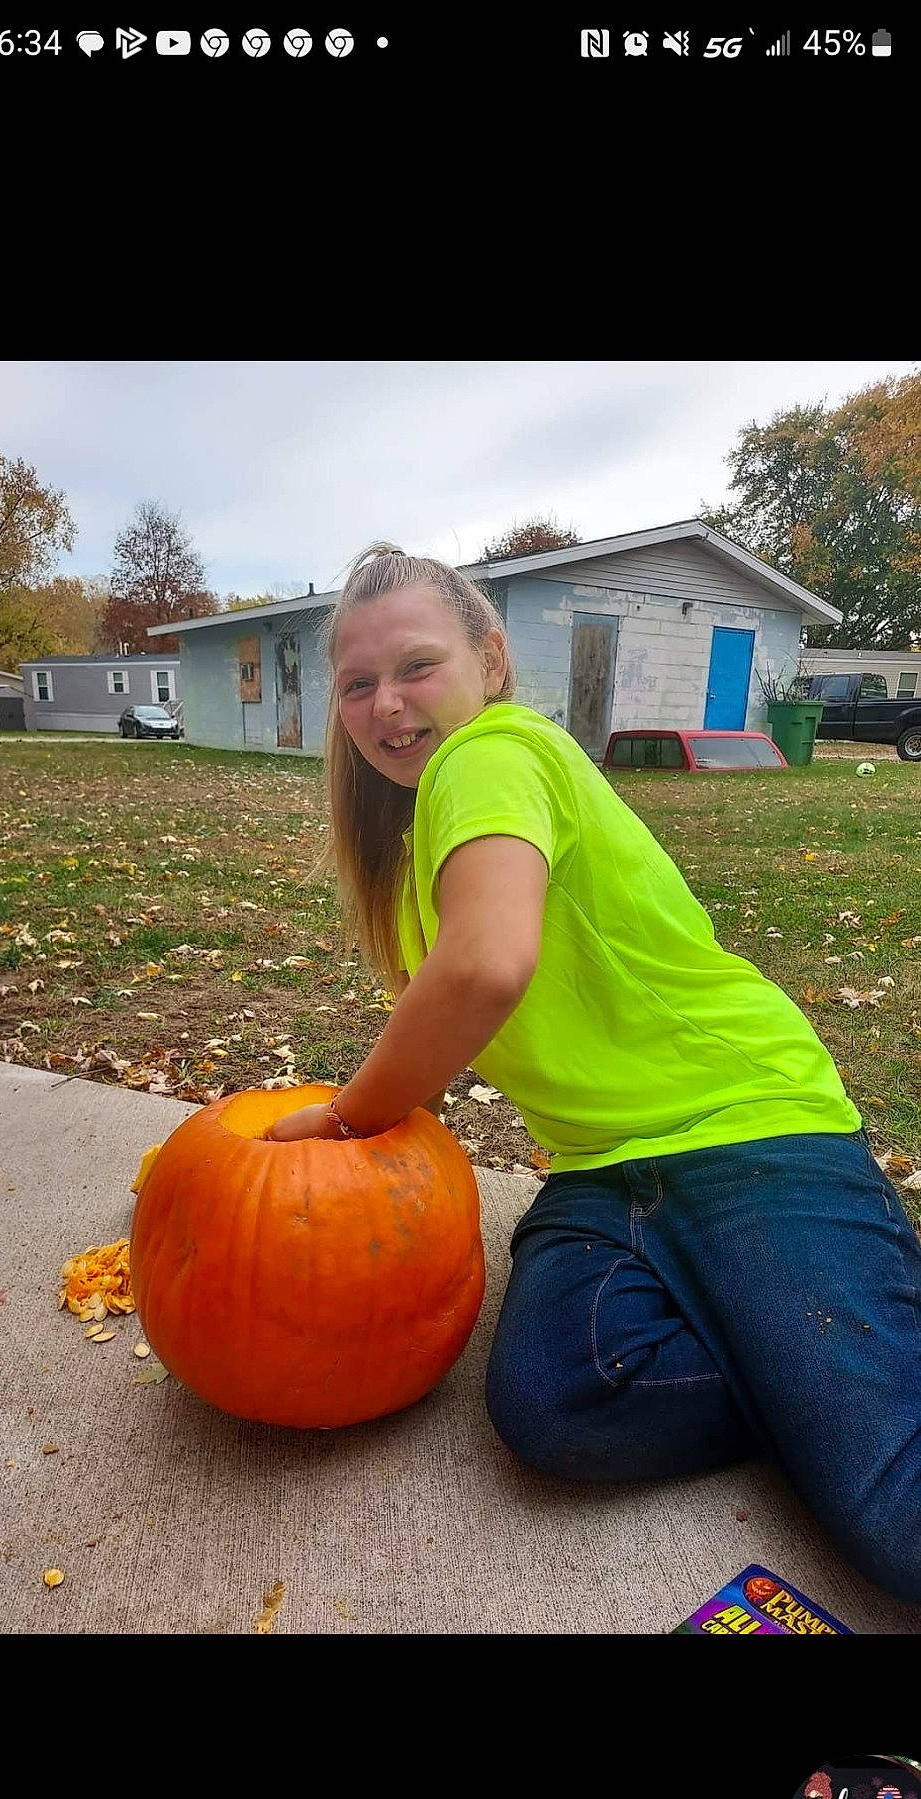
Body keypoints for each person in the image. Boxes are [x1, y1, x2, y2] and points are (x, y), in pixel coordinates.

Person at [266, 541, 921, 1604]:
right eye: (357, 682)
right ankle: (824, 1365)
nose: (385, 702)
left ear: (490, 661)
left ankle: (849, 1373)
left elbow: (484, 966)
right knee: (557, 1403)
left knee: (893, 1510)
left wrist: (351, 1117)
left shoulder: (494, 752)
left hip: (750, 1126)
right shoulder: (425, 835)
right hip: (600, 1172)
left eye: (416, 665)